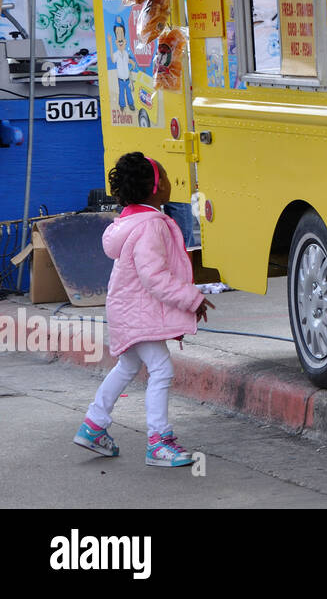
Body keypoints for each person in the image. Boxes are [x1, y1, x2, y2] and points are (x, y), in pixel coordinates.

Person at [73, 152, 213, 467]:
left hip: (126, 311)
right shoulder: (152, 226)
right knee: (161, 369)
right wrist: (192, 298)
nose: (167, 181)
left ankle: (94, 426)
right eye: (163, 176)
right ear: (155, 188)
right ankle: (158, 442)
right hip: (139, 314)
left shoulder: (129, 222)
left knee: (126, 367)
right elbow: (155, 277)